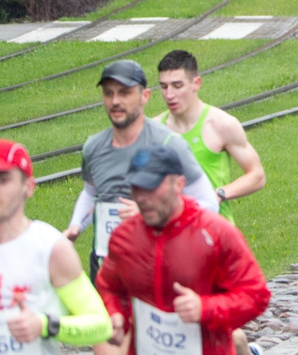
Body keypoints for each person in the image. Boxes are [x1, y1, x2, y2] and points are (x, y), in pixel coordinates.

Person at [94, 141, 269, 355]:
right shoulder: (124, 237)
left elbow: (256, 294)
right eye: (136, 188)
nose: (143, 198)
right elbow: (109, 287)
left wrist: (205, 308)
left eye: (152, 188)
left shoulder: (215, 234)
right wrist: (116, 314)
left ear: (179, 184)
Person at [66, 61, 217, 282]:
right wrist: (76, 226)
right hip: (107, 272)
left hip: (159, 271)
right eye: (109, 93)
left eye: (125, 93)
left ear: (144, 96)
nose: (116, 101)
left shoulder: (169, 144)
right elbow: (91, 194)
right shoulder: (93, 147)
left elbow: (208, 203)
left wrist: (152, 211)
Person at [0, 141, 113, 355]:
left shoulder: (50, 247)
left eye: (3, 180)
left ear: (29, 187)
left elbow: (100, 326)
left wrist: (45, 325)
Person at [154, 50, 266, 222]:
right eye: (164, 87)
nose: (169, 95)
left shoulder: (221, 124)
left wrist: (220, 194)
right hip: (168, 232)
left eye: (177, 86)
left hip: (213, 231)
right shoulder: (154, 129)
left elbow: (257, 175)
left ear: (196, 83)